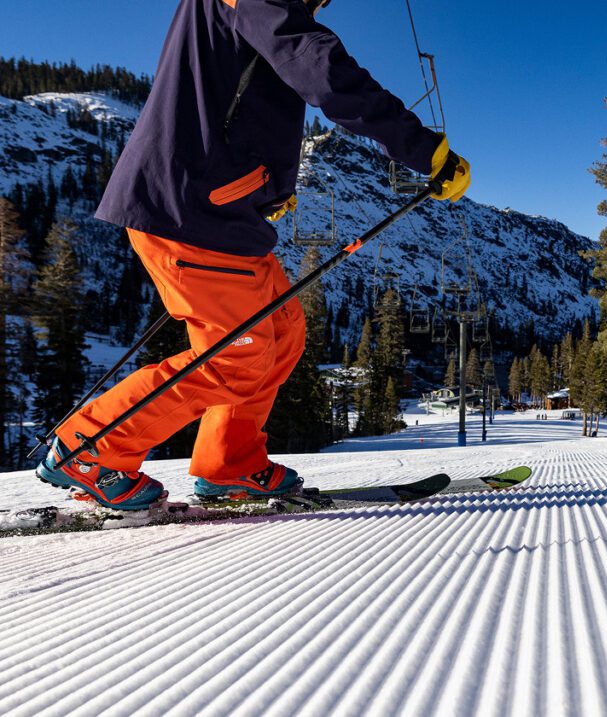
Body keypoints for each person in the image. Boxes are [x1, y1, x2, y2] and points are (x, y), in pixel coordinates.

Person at [36, 0, 469, 510]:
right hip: (191, 211)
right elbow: (316, 64)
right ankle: (90, 450)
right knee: (235, 358)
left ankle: (230, 463)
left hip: (221, 213)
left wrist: (263, 187)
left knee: (281, 334)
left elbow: (244, 92)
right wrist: (422, 149)